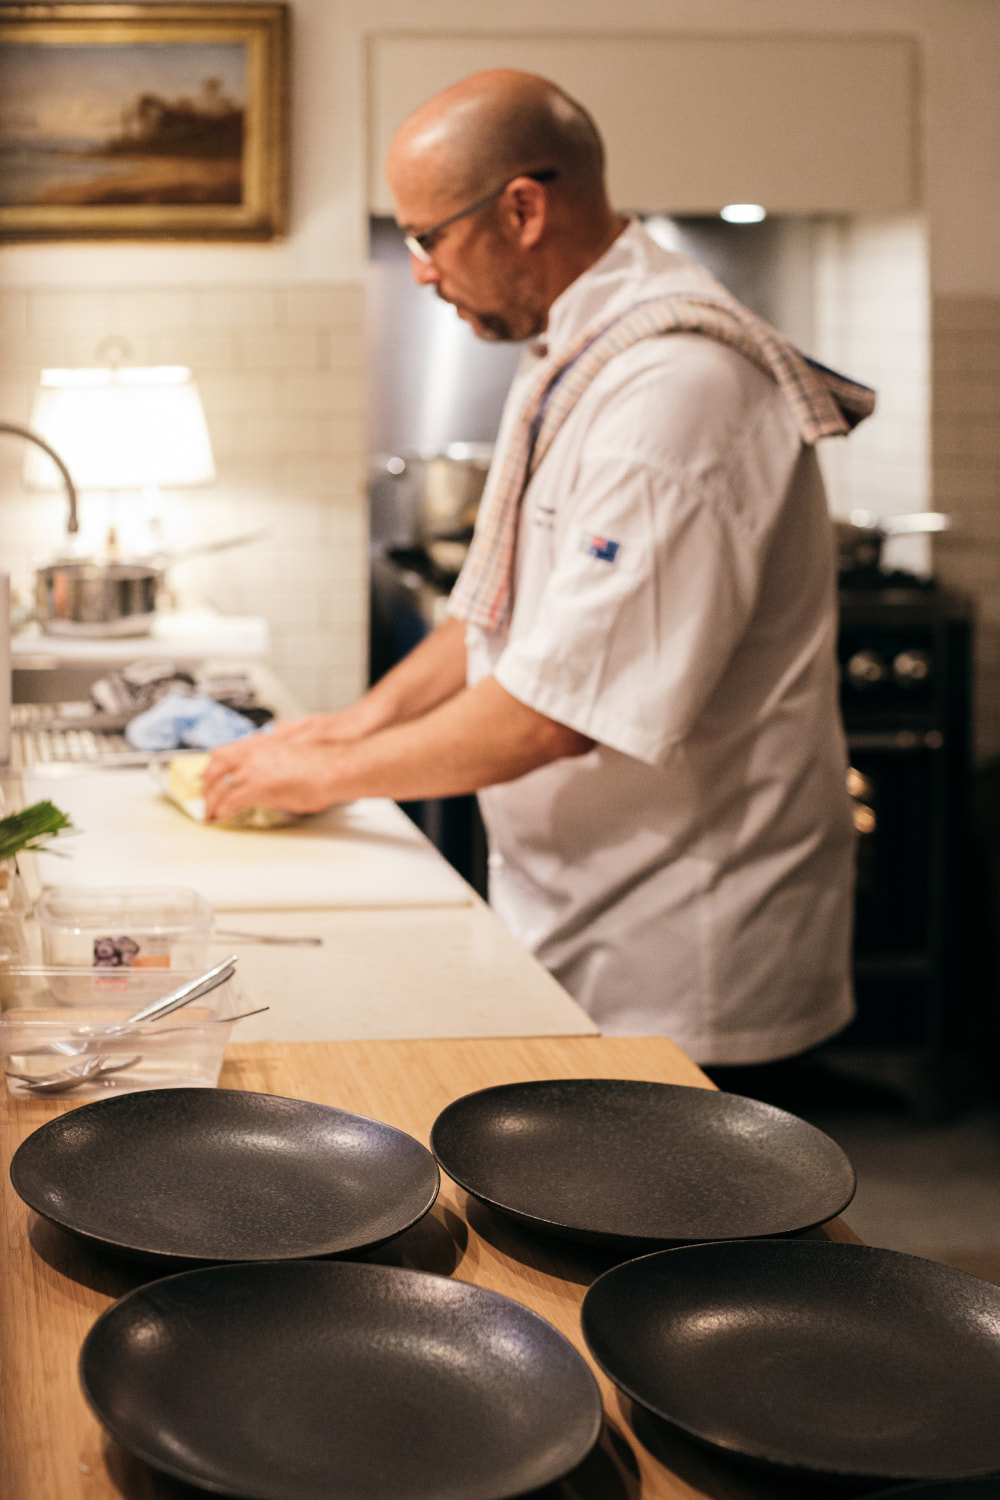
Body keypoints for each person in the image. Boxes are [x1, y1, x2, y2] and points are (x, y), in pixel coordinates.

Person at [204, 68, 875, 1072]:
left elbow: (546, 714)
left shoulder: (674, 385)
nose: (422, 270)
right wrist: (352, 722)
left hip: (686, 938)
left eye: (428, 237)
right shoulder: (575, 347)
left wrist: (321, 773)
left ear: (521, 207)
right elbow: (492, 608)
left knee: (670, 1230)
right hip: (583, 906)